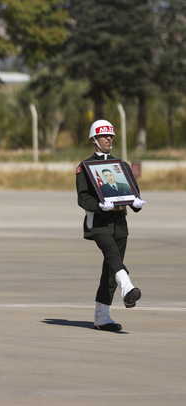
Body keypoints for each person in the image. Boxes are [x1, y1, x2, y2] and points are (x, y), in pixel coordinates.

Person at [76, 119, 146, 331]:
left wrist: (136, 202)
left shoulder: (121, 166)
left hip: (119, 224)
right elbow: (82, 199)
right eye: (104, 136)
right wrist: (99, 205)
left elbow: (133, 194)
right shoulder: (85, 167)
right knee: (114, 259)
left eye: (111, 136)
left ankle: (102, 317)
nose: (109, 139)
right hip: (98, 224)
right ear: (94, 139)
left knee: (111, 269)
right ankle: (128, 289)